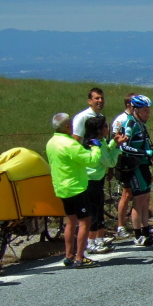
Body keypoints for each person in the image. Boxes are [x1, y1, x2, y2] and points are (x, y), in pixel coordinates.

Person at [46, 113, 104, 267]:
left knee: (70, 221)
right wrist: (96, 148)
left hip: (61, 187)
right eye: (71, 124)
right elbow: (91, 161)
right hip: (76, 187)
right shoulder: (70, 144)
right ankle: (80, 257)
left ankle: (69, 255)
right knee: (85, 221)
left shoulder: (51, 142)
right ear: (66, 126)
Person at [120, 95, 153, 246]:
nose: (148, 113)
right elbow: (124, 147)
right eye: (145, 110)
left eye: (148, 110)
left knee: (145, 199)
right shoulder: (131, 124)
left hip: (144, 165)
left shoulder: (142, 124)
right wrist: (145, 153)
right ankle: (137, 235)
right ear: (136, 110)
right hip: (134, 166)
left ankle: (145, 231)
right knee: (138, 200)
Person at [81, 115, 124, 254]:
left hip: (97, 180)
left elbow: (106, 152)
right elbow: (110, 162)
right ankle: (91, 242)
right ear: (99, 130)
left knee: (99, 210)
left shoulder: (100, 141)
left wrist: (114, 143)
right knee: (94, 212)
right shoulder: (96, 144)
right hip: (91, 181)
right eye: (105, 126)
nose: (107, 128)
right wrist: (118, 148)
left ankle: (99, 239)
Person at [112, 93, 136, 238]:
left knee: (139, 193)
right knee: (126, 194)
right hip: (124, 159)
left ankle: (138, 224)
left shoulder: (137, 119)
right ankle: (121, 226)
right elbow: (115, 139)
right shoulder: (120, 120)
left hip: (136, 158)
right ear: (128, 105)